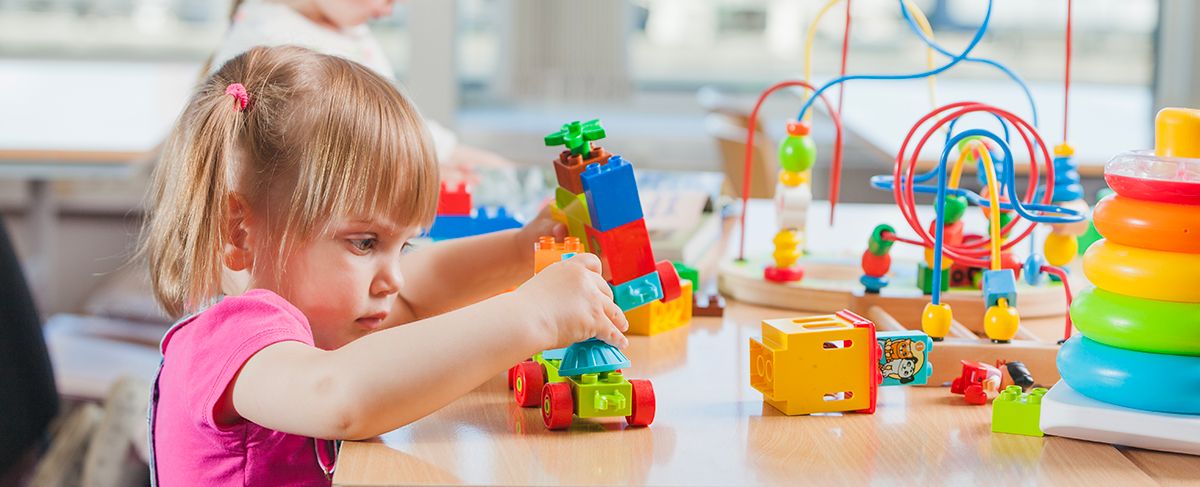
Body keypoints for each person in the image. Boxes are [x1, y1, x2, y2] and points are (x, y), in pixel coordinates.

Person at [143, 45, 628, 485]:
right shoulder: (231, 340)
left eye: (404, 245)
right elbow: (340, 397)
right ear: (239, 232)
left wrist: (521, 251)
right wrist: (534, 315)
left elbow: (418, 291)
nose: (392, 277)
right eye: (364, 242)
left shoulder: (321, 319)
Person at [207, 0, 511, 182]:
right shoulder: (267, 39)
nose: (393, 7)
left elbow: (396, 123)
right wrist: (413, 173)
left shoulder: (349, 28)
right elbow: (306, 161)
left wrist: (487, 164)